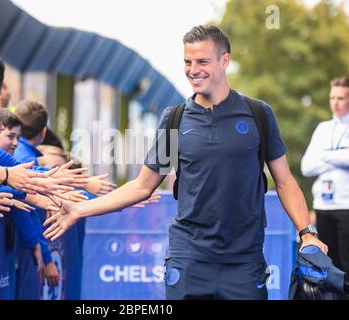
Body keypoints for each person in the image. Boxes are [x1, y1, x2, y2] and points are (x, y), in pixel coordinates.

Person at [44, 25, 327, 300]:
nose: (193, 70)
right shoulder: (175, 119)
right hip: (188, 258)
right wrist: (80, 209)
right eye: (187, 62)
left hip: (244, 261)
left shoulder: (258, 115)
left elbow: (285, 181)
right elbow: (142, 186)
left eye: (202, 61)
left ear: (224, 60)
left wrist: (307, 234)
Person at [301, 76, 349, 282]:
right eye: (332, 97)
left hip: (346, 206)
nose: (335, 103)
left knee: (346, 263)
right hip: (323, 206)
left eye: (341, 98)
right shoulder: (323, 129)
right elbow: (307, 167)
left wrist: (325, 156)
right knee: (329, 265)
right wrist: (338, 157)